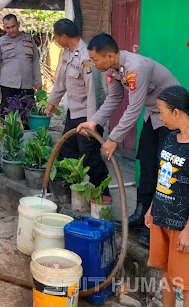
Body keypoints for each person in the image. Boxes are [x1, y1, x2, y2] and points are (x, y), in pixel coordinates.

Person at [77, 33, 180, 233]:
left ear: (109, 56)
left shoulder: (136, 67)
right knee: (148, 164)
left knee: (166, 170)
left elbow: (134, 107)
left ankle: (161, 225)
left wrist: (114, 138)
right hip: (154, 115)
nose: (93, 63)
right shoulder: (114, 70)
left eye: (95, 59)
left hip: (173, 118)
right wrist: (94, 121)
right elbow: (114, 98)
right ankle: (141, 215)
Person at [144, 86, 189, 307]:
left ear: (177, 113)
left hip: (185, 225)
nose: (160, 117)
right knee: (166, 272)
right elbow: (163, 177)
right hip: (161, 217)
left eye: (162, 112)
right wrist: (151, 208)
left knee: (188, 284)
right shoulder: (170, 138)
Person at [44, 19, 109, 192]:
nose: (56, 41)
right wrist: (52, 103)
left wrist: (91, 123)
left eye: (57, 37)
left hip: (87, 116)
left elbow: (93, 92)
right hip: (73, 114)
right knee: (66, 151)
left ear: (64, 36)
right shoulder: (66, 53)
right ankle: (66, 189)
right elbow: (61, 81)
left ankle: (103, 193)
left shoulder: (86, 57)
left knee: (89, 157)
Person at [0, 14, 42, 114]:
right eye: (7, 28)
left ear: (18, 24)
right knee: (8, 118)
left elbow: (35, 62)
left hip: (27, 86)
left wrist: (38, 83)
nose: (11, 30)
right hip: (8, 86)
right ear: (4, 27)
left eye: (13, 26)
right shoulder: (0, 42)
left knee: (28, 117)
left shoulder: (29, 40)